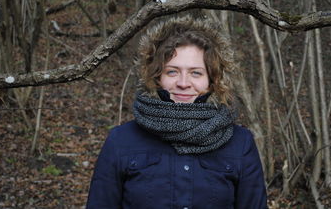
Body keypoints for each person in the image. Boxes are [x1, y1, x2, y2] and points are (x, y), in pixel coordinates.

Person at [86, 16, 267, 209]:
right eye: (172, 71)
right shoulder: (121, 141)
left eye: (195, 73)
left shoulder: (240, 144)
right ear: (156, 77)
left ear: (213, 79)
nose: (183, 83)